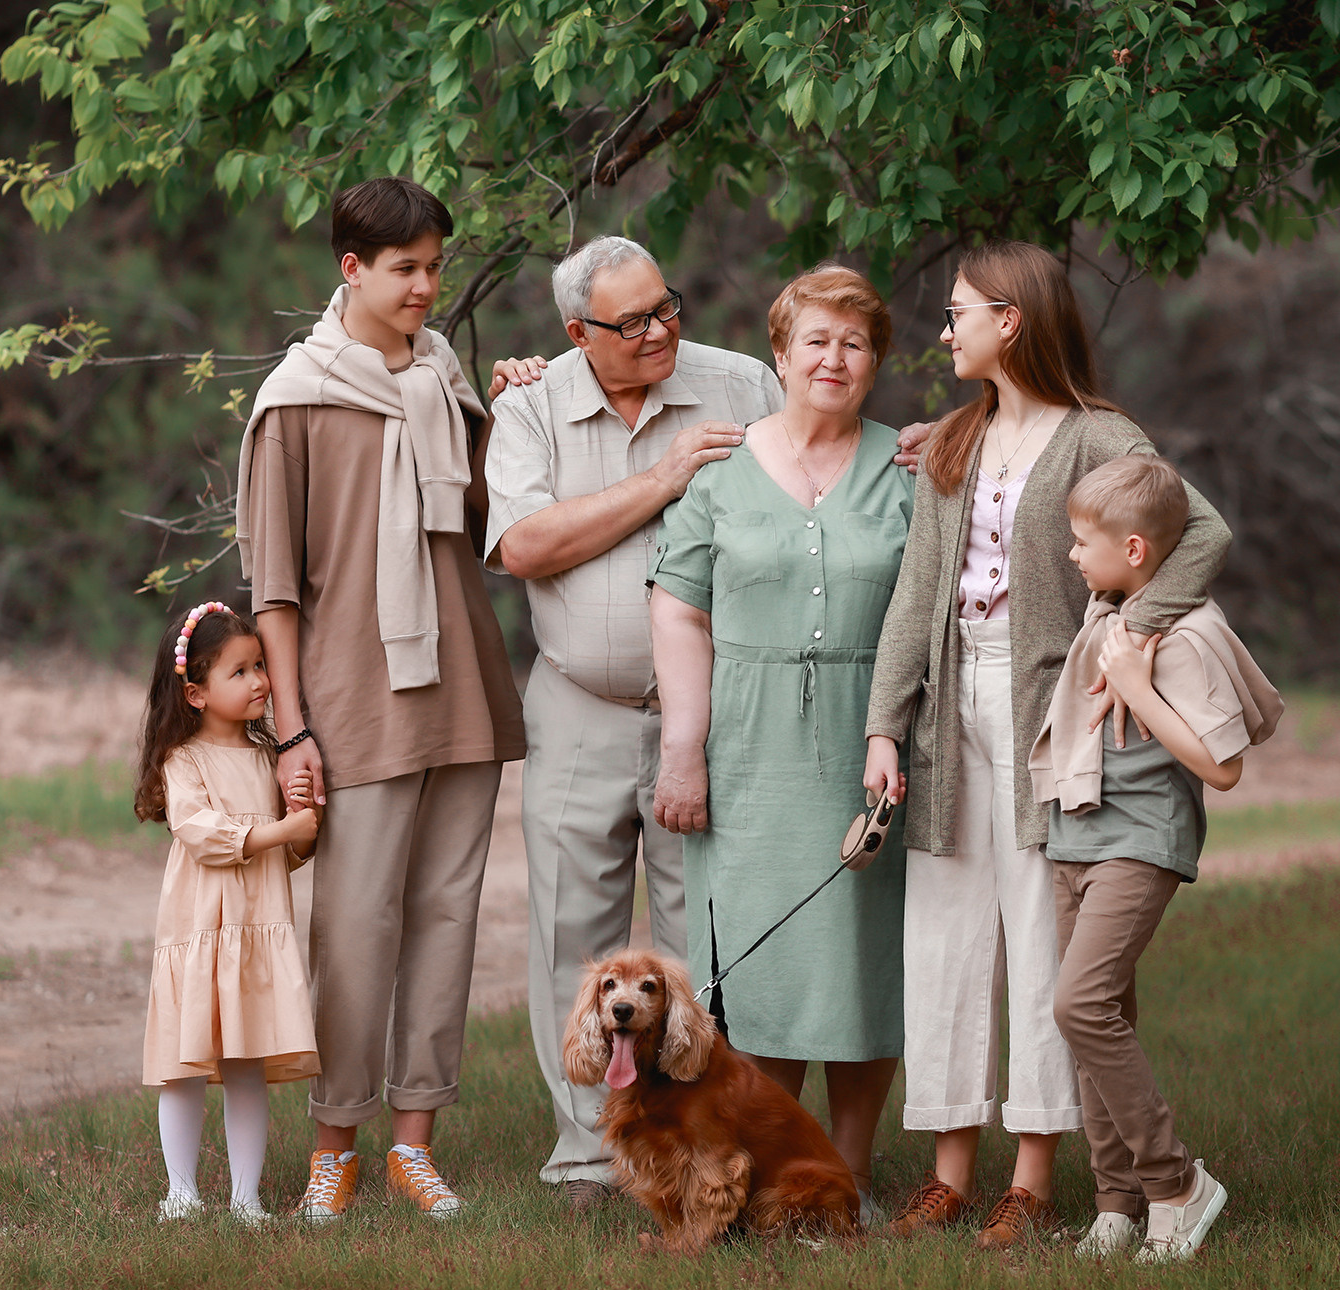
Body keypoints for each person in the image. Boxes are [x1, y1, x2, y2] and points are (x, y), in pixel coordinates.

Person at [863, 240, 1234, 1250]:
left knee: (1039, 932)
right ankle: (947, 1174)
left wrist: (1133, 629)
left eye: (959, 312)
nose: (946, 330)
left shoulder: (1100, 435)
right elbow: (912, 593)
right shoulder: (953, 440)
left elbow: (1200, 532)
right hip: (948, 709)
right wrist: (882, 725)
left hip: (1049, 718)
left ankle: (1030, 1179)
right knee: (942, 932)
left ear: (1010, 321)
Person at [236, 176, 527, 1222]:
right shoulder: (296, 398)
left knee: (447, 916)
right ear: (350, 268)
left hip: (463, 687)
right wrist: (296, 727)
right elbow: (274, 585)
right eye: (406, 268)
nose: (426, 287)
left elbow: (495, 515)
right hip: (357, 699)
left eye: (436, 267)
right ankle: (334, 1144)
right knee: (355, 924)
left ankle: (416, 1143)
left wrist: (517, 406)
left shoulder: (447, 380)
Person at [484, 236, 782, 1209]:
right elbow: (523, 544)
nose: (660, 331)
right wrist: (662, 479)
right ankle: (586, 1157)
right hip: (578, 707)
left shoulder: (740, 385)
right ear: (577, 334)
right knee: (575, 939)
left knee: (703, 939)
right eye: (632, 321)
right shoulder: (531, 405)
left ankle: (701, 1149)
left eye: (668, 307)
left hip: (713, 714)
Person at [648, 265, 911, 1224]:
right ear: (780, 353)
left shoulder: (908, 465)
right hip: (745, 744)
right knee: (751, 978)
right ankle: (760, 1173)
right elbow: (678, 611)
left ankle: (841, 1181)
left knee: (859, 961)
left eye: (853, 343)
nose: (832, 358)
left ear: (875, 361)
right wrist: (685, 747)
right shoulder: (719, 467)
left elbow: (927, 615)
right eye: (815, 340)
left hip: (867, 735)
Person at [1031, 454, 1283, 1261]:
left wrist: (1137, 691)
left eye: (1081, 541)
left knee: (1079, 1005)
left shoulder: (1180, 635)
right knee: (1100, 1018)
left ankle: (1175, 1183)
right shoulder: (1116, 608)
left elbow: (1224, 767)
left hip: (1138, 840)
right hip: (1078, 830)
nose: (1072, 554)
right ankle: (1117, 1201)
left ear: (1134, 550)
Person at [135, 602, 321, 1226]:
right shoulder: (183, 760)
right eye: (240, 671)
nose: (261, 681)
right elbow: (204, 834)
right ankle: (180, 1191)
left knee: (246, 1064)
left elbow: (288, 856)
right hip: (200, 931)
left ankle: (247, 1197)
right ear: (195, 692)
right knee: (184, 1067)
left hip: (255, 933)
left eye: (261, 666)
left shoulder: (269, 759)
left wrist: (302, 825)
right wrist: (281, 828)